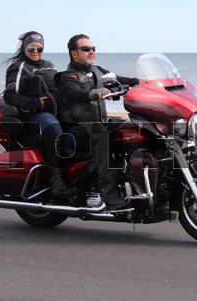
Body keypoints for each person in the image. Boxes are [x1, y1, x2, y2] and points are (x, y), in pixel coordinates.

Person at [56, 34, 139, 209]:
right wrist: (92, 93)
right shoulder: (68, 76)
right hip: (75, 129)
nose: (91, 51)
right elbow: (73, 92)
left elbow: (121, 80)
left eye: (93, 48)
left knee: (131, 128)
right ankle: (110, 194)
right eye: (86, 49)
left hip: (97, 123)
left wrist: (148, 83)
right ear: (74, 53)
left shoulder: (99, 71)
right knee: (102, 134)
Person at [3, 31, 69, 199]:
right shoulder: (19, 67)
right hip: (35, 114)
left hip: (56, 111)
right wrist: (34, 103)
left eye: (39, 48)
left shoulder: (49, 65)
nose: (35, 51)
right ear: (24, 48)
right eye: (31, 48)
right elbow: (10, 94)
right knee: (53, 129)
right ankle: (56, 178)